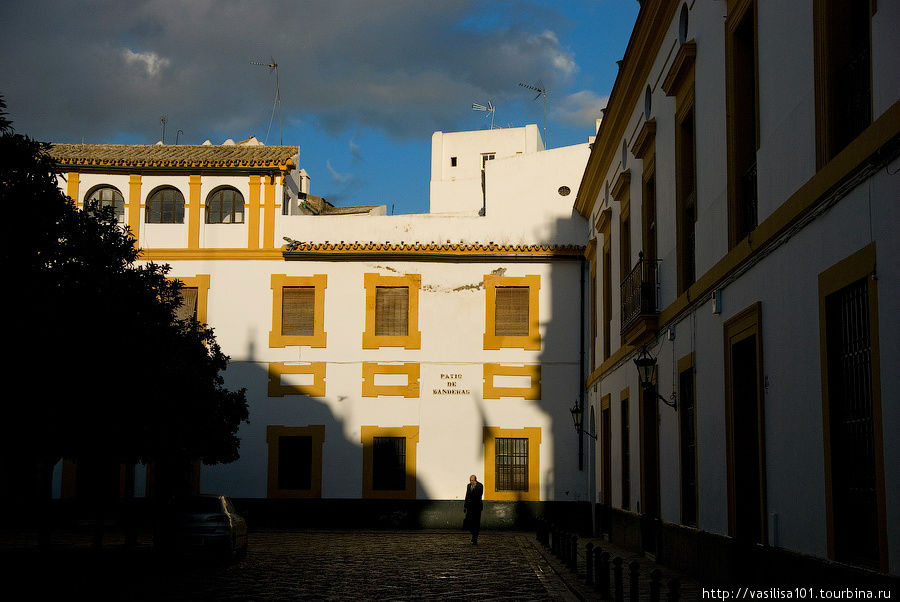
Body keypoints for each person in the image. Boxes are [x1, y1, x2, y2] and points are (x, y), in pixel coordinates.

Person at [464, 474, 483, 544]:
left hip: (477, 507)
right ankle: (474, 535)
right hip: (470, 507)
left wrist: (474, 488)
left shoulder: (480, 486)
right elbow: (467, 495)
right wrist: (465, 506)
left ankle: (475, 538)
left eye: (472, 480)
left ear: (475, 480)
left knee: (476, 523)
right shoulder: (469, 486)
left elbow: (479, 495)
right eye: (470, 480)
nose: (471, 482)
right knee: (470, 522)